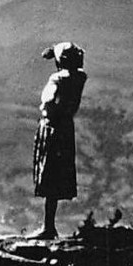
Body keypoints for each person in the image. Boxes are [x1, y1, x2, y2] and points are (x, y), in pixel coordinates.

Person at [31, 41, 87, 239]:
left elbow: (47, 100)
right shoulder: (80, 77)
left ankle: (48, 227)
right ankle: (49, 225)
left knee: (49, 175)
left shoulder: (57, 78)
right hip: (66, 128)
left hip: (52, 127)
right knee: (57, 176)